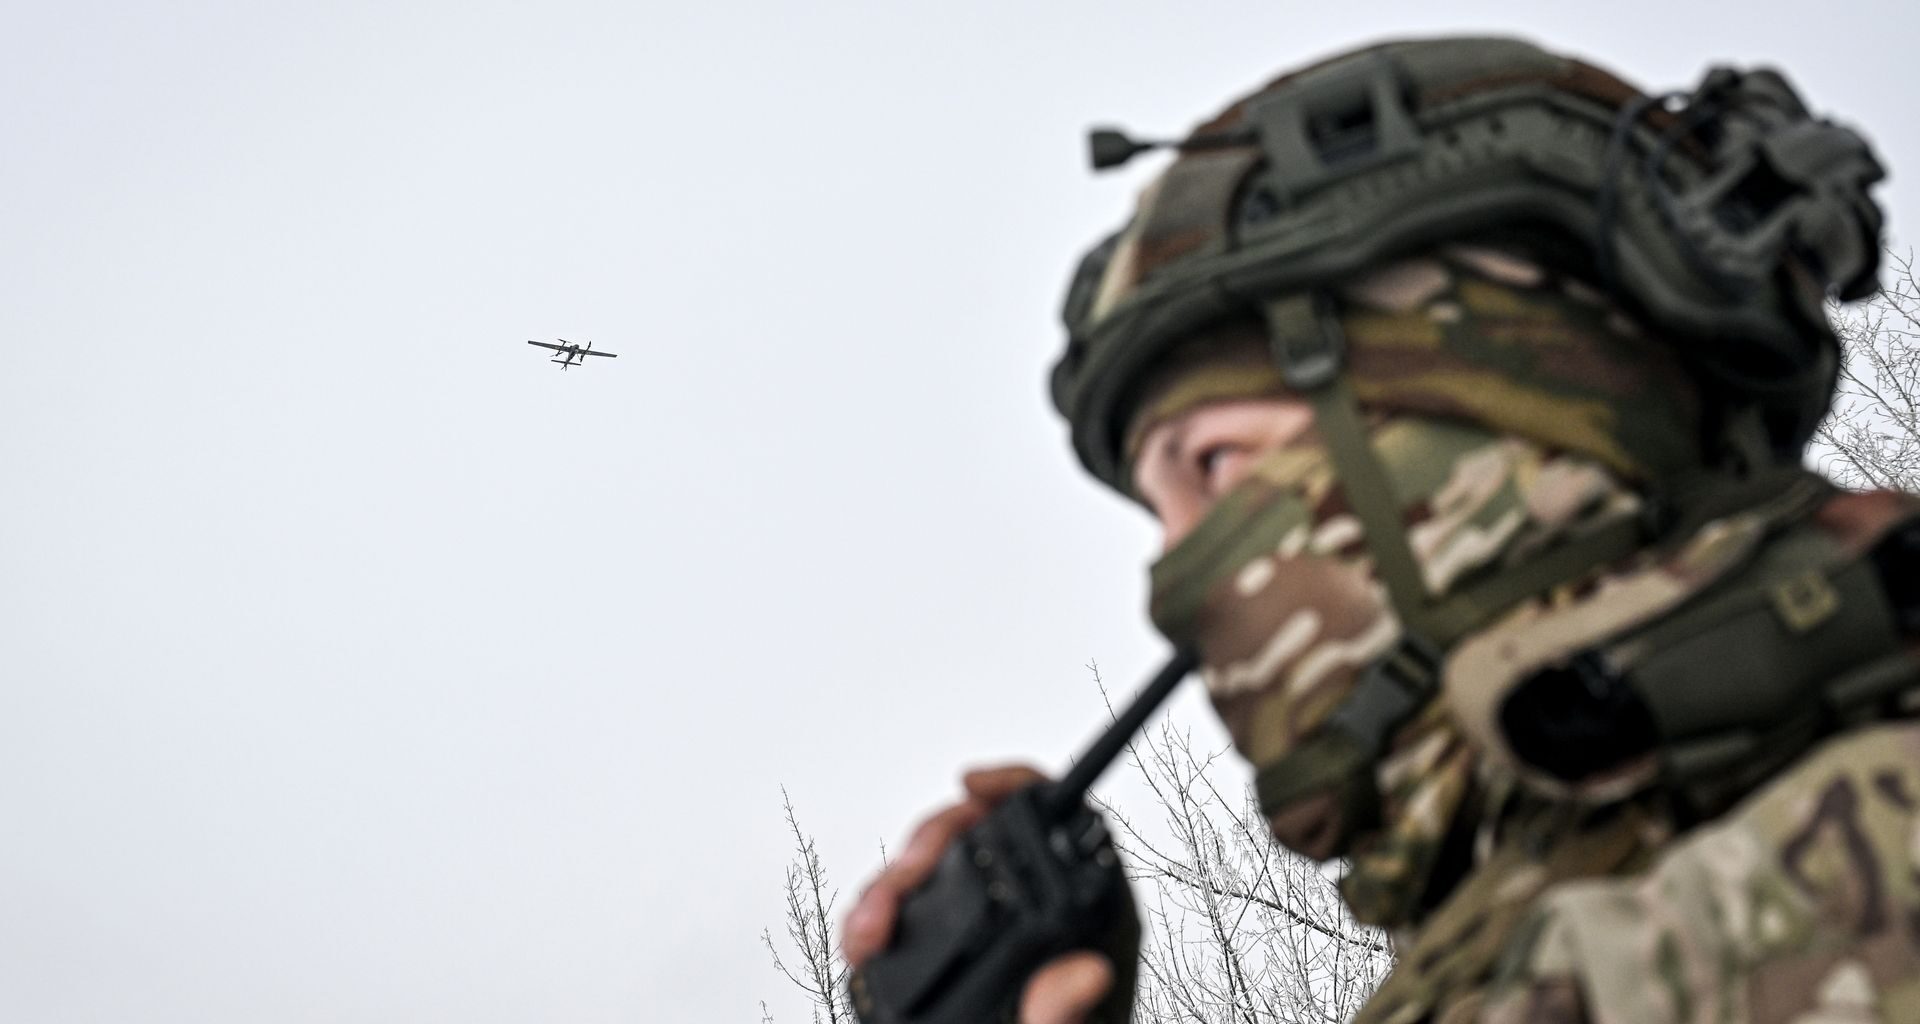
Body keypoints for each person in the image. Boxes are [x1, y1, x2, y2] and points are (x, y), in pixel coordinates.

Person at [846, 36, 1918, 1024]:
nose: (1173, 580)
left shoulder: (1840, 858)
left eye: (1217, 464)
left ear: (1510, 412)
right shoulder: (1589, 887)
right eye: (1159, 513)